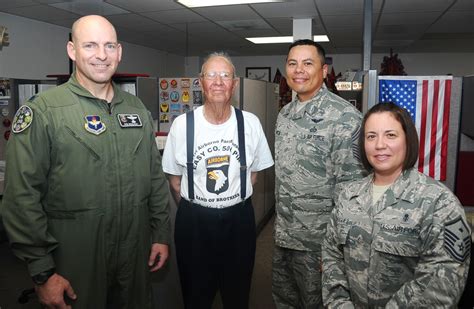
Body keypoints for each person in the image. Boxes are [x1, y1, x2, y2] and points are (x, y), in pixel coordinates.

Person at [2, 15, 170, 308]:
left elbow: (154, 179)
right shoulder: (44, 112)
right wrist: (43, 272)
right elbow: (21, 197)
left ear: (119, 51)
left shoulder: (136, 110)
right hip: (76, 259)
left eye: (109, 45)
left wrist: (160, 234)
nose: (102, 55)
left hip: (134, 255)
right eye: (90, 45)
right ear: (72, 50)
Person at [322, 102, 471, 308]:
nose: (379, 144)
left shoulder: (439, 203)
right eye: (371, 136)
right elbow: (332, 256)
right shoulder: (348, 195)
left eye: (390, 135)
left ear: (408, 140)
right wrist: (339, 304)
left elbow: (441, 283)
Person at [162, 52, 274, 309]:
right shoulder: (182, 125)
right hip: (194, 224)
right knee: (195, 295)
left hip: (239, 221)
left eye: (225, 75)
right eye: (211, 75)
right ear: (201, 82)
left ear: (234, 84)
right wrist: (201, 206)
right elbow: (175, 181)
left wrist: (228, 202)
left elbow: (252, 176)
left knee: (237, 293)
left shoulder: (251, 123)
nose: (218, 81)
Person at [273, 39, 365, 308]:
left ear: (324, 70)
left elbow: (352, 191)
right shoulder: (285, 114)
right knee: (284, 300)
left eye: (307, 63)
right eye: (292, 63)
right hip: (283, 237)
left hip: (319, 244)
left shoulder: (345, 117)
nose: (298, 70)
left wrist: (337, 250)